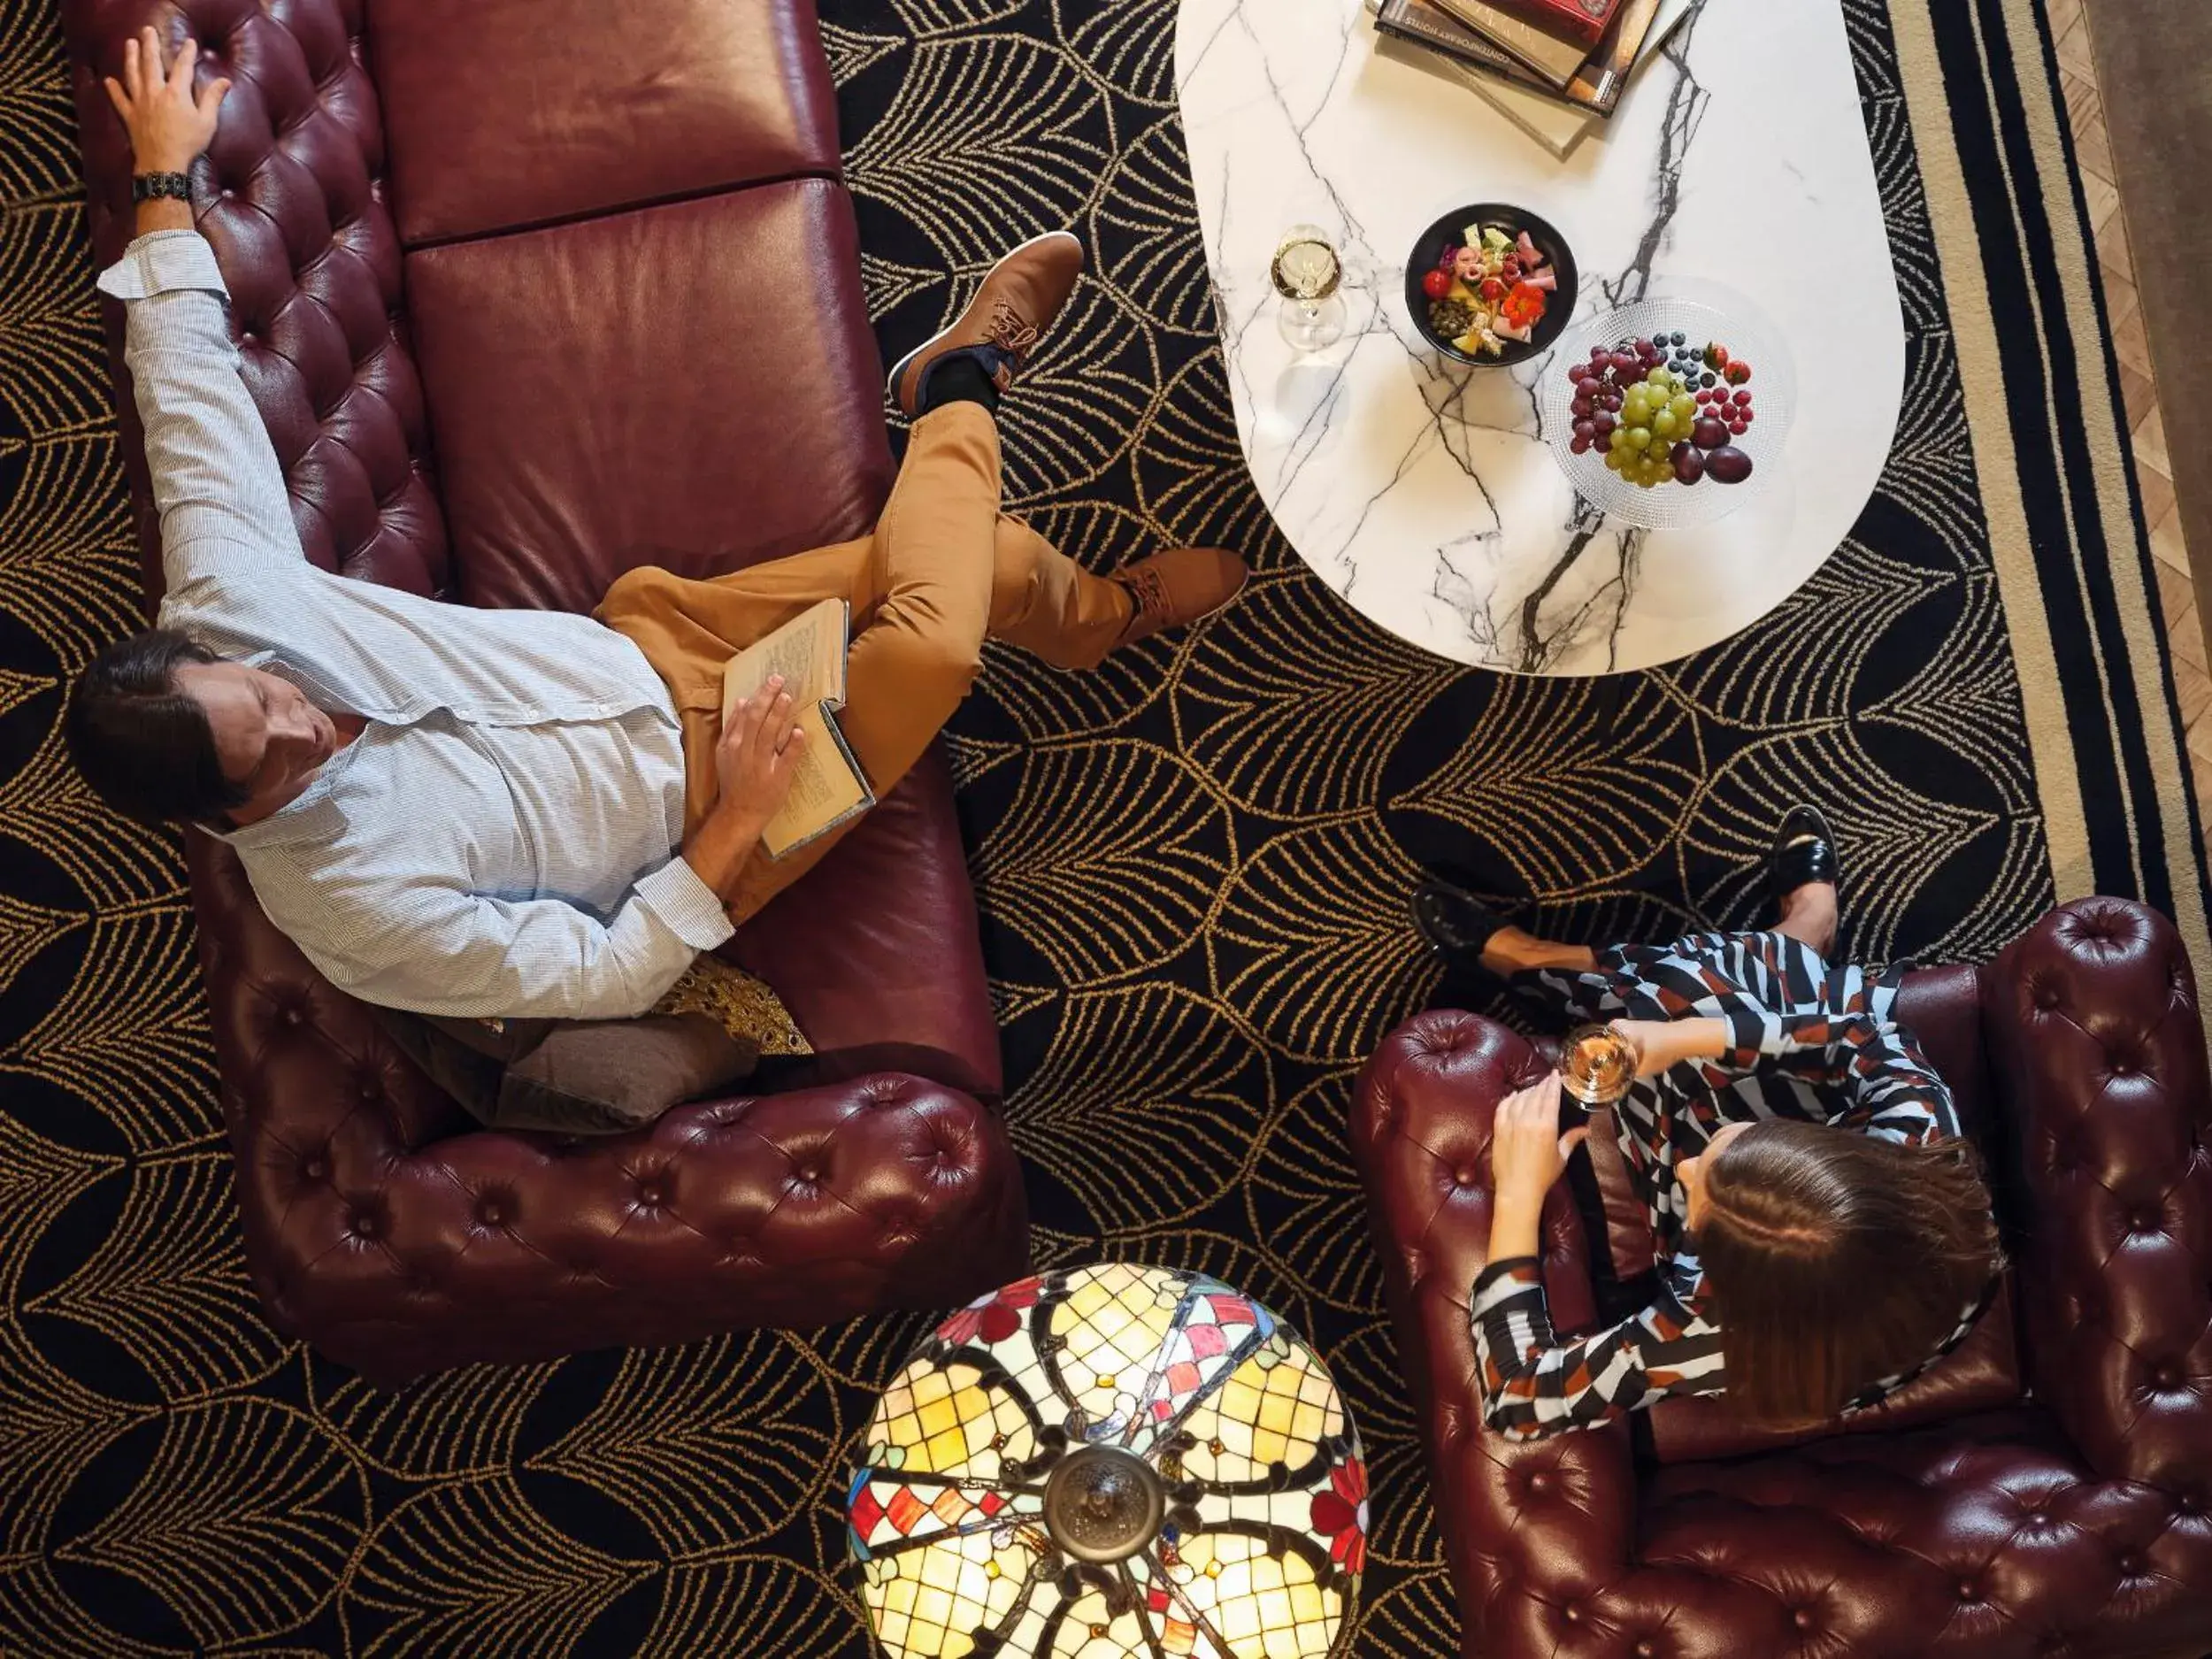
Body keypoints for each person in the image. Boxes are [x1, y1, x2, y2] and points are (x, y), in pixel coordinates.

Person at [65, 30, 1248, 1023]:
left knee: (987, 561)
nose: (303, 724)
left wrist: (164, 180)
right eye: (266, 759)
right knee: (938, 639)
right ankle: (964, 378)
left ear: (212, 652)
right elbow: (598, 976)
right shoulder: (349, 910)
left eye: (267, 696)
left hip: (651, 641)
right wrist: (738, 806)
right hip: (716, 810)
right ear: (216, 818)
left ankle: (1089, 616)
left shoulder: (230, 602)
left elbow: (187, 400)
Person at [1413, 805, 2004, 1440]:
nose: (1686, 1165)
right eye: (1730, 1150)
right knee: (1693, 996)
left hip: (1813, 1324)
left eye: (1696, 1198)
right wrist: (1686, 1040)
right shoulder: (1920, 1136)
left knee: (1680, 984)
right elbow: (1857, 1032)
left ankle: (1550, 962)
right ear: (1829, 1151)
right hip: (1846, 1268)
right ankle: (1804, 933)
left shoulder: (1714, 1323)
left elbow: (1520, 1400)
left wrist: (1520, 1192)